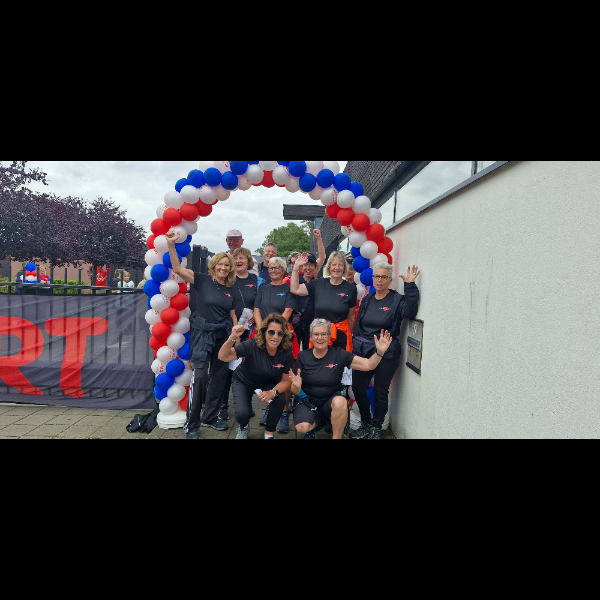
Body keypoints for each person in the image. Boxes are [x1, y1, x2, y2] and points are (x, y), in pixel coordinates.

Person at [166, 229, 238, 439]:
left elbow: (232, 314)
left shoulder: (231, 288)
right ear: (214, 266)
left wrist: (234, 336)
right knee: (199, 377)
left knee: (219, 377)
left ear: (230, 268)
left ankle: (210, 417)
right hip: (203, 334)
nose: (223, 267)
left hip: (223, 336)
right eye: (220, 264)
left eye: (227, 265)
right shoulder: (203, 280)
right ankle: (192, 425)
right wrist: (171, 244)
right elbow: (177, 268)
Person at [350, 263, 421, 440]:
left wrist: (410, 285)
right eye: (377, 276)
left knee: (380, 391)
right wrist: (355, 346)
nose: (379, 280)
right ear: (373, 278)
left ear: (390, 280)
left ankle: (376, 427)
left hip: (387, 352)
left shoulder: (397, 300)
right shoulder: (367, 299)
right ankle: (366, 423)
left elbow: (410, 311)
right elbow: (359, 325)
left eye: (383, 277)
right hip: (363, 350)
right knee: (358, 388)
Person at [290, 319, 393, 439]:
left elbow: (369, 365)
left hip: (331, 401)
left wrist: (379, 352)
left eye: (324, 334)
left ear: (330, 336)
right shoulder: (303, 356)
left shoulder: (339, 354)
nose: (320, 338)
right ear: (311, 336)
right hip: (308, 401)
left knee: (340, 402)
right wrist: (296, 387)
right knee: (302, 427)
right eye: (316, 334)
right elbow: (295, 391)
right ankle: (311, 427)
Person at [218, 314, 294, 439]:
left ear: (284, 335)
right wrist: (232, 337)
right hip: (244, 380)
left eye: (280, 333)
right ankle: (243, 427)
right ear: (264, 332)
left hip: (268, 382)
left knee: (279, 399)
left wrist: (273, 392)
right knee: (242, 415)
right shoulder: (252, 344)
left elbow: (286, 380)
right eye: (271, 332)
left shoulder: (286, 351)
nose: (275, 337)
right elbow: (223, 357)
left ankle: (268, 434)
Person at [254, 256, 297, 433]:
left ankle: (285, 413)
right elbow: (257, 309)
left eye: (277, 267)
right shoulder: (263, 288)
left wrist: (274, 331)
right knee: (267, 374)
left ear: (284, 269)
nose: (273, 270)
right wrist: (262, 330)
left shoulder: (288, 289)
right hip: (263, 336)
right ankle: (270, 409)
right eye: (271, 268)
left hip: (282, 337)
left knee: (283, 376)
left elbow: (288, 311)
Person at [217, 247, 260, 422]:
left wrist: (256, 316)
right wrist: (234, 329)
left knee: (248, 367)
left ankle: (246, 405)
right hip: (231, 329)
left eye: (242, 258)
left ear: (248, 261)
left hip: (250, 331)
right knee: (227, 368)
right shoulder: (228, 279)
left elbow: (259, 302)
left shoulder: (255, 280)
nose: (239, 261)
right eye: (236, 258)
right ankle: (223, 406)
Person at [291, 251, 357, 352]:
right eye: (334, 264)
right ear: (329, 267)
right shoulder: (318, 284)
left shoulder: (351, 288)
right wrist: (296, 266)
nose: (337, 268)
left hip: (340, 337)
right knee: (318, 361)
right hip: (319, 336)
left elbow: (351, 316)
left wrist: (349, 335)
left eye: (340, 265)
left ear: (344, 268)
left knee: (338, 362)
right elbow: (295, 289)